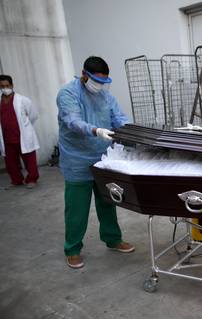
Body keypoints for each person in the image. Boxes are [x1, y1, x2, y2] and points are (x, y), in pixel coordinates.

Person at [56, 56, 135, 269]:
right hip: (77, 159)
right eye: (96, 81)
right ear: (84, 75)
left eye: (103, 82)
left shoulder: (105, 97)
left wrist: (131, 131)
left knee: (108, 200)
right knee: (77, 208)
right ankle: (72, 249)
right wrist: (96, 130)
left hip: (102, 158)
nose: (99, 86)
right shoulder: (68, 93)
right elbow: (72, 121)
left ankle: (112, 239)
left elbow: (118, 117)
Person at [0, 74, 40, 189]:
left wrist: (26, 127)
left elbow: (33, 115)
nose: (5, 88)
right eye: (2, 86)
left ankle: (32, 179)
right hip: (6, 138)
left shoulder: (22, 100)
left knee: (29, 160)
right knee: (11, 163)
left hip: (22, 136)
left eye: (7, 85)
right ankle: (16, 180)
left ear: (12, 85)